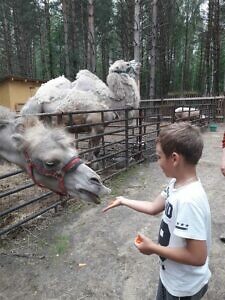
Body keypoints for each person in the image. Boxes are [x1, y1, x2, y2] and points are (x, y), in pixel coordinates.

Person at [103, 122, 211, 300]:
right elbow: (154, 208)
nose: (157, 162)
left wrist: (153, 248)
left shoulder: (189, 200)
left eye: (159, 157)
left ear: (174, 158)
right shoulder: (176, 184)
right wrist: (123, 200)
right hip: (171, 276)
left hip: (183, 287)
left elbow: (198, 256)